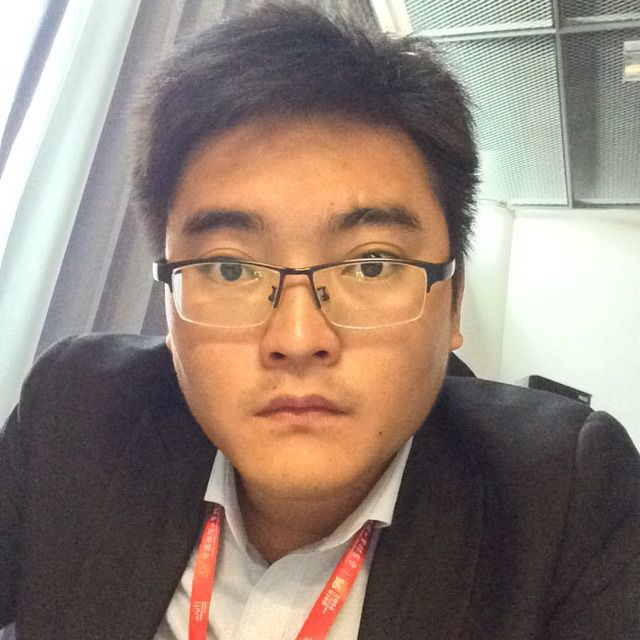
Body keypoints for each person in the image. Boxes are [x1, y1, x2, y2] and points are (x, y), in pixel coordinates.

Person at [1, 3, 639, 639]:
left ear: (454, 301)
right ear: (170, 301)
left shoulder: (568, 499)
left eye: (370, 265)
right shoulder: (74, 409)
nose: (298, 338)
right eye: (230, 268)